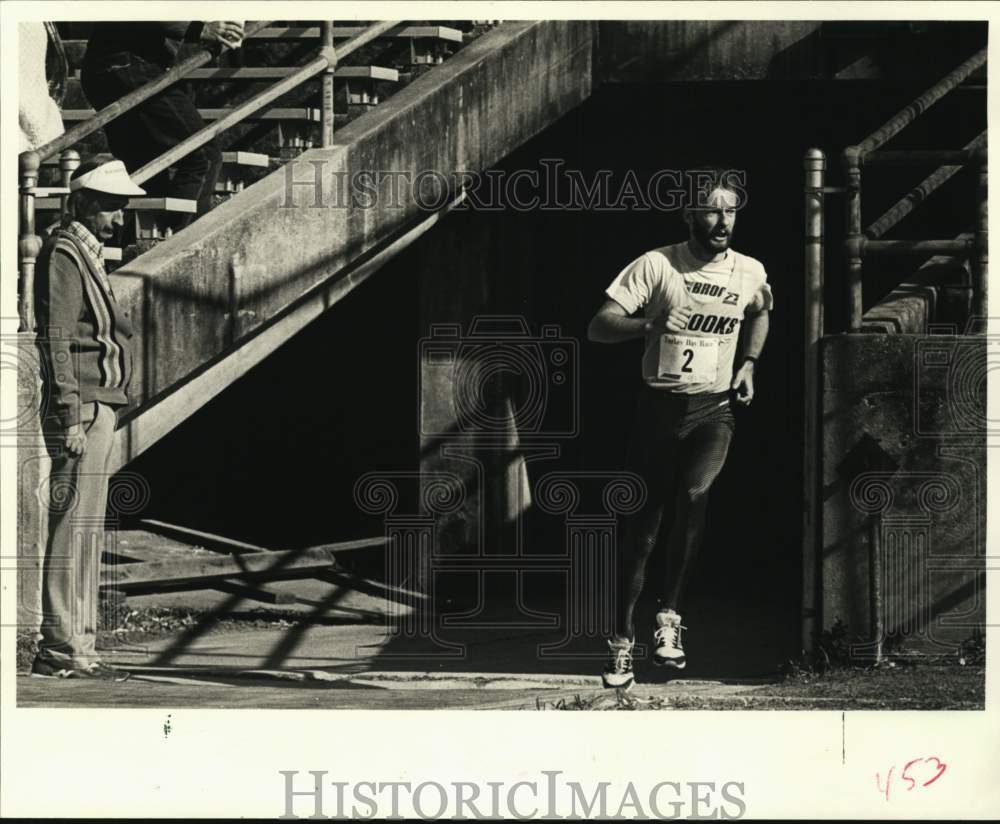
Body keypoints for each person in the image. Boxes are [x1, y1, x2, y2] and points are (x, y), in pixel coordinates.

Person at [587, 167, 773, 690]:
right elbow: (598, 326)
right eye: (711, 210)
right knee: (643, 528)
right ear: (689, 214)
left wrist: (749, 363)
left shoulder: (748, 271)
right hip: (658, 411)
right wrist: (647, 324)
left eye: (730, 210)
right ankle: (621, 643)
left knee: (694, 496)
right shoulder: (656, 265)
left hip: (713, 410)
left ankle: (669, 620)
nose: (722, 220)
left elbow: (762, 311)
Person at [31, 155, 146, 681]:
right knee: (71, 528)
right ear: (86, 204)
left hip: (100, 405)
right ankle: (60, 648)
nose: (119, 217)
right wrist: (70, 415)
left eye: (121, 207)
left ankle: (80, 647)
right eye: (111, 207)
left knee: (87, 530)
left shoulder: (85, 253)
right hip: (80, 409)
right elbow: (56, 338)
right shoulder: (64, 253)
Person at [80, 21, 245, 229]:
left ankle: (136, 250)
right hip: (128, 63)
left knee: (147, 170)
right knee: (202, 154)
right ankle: (177, 249)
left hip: (112, 64)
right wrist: (201, 29)